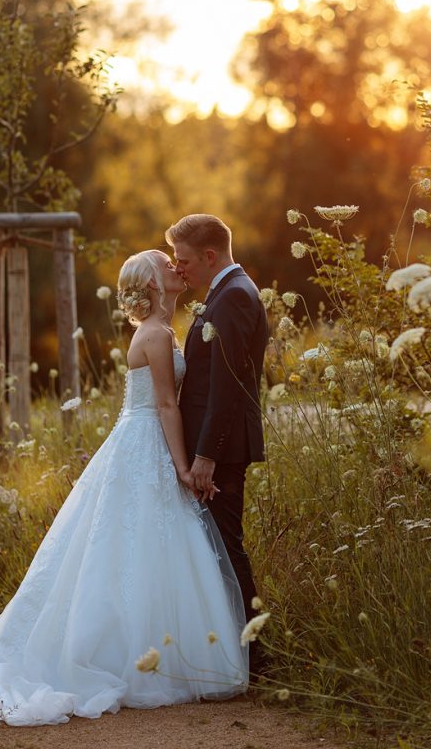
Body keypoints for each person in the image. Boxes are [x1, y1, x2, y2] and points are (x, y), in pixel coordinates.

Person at [0, 250, 247, 726]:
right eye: (165, 265)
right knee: (133, 544)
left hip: (138, 438)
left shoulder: (157, 330)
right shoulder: (155, 333)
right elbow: (167, 406)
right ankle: (129, 656)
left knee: (136, 547)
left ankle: (148, 649)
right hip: (146, 442)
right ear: (151, 284)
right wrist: (184, 468)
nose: (175, 268)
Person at [165, 214, 267, 628]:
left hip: (221, 451)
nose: (178, 268)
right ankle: (230, 646)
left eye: (183, 259)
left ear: (209, 255)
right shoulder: (225, 292)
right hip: (215, 447)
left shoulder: (235, 297)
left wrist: (206, 454)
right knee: (214, 548)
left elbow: (227, 387)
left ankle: (255, 654)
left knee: (226, 546)